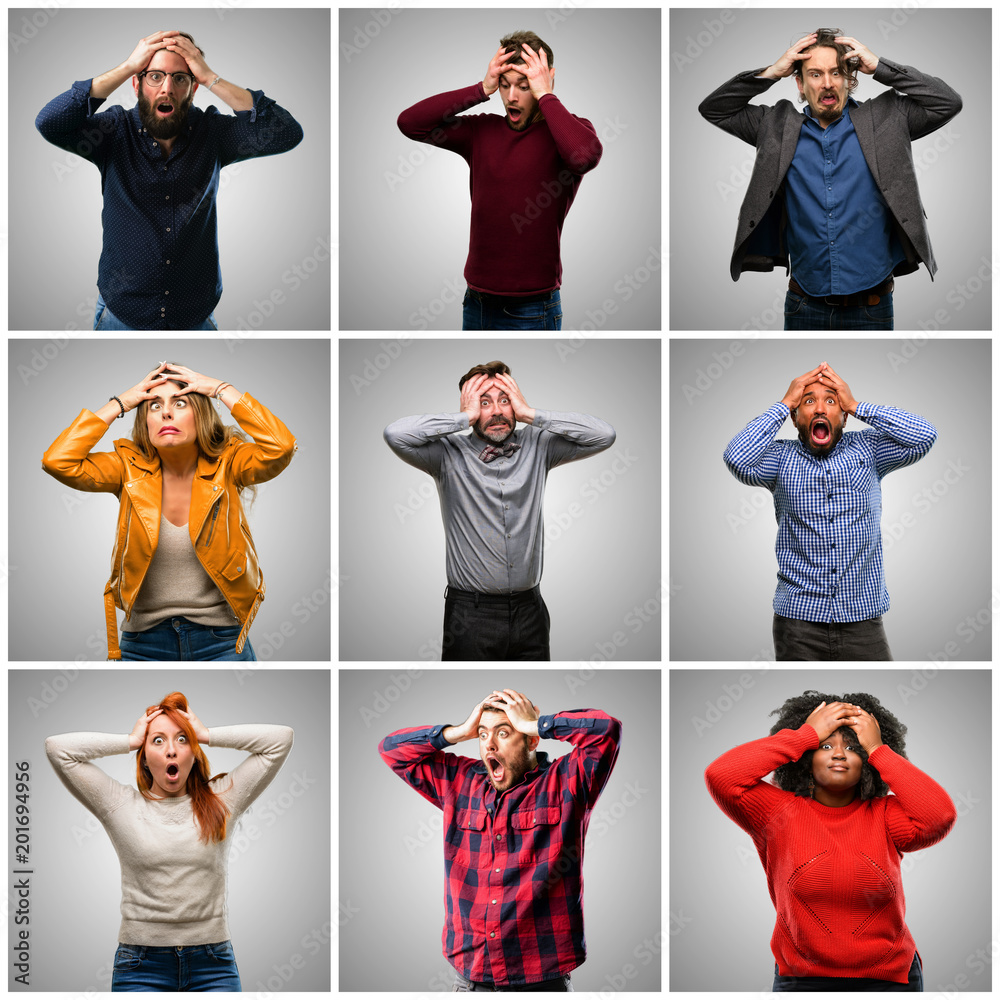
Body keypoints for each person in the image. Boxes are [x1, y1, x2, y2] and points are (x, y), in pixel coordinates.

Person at [35, 30, 304, 330]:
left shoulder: (212, 133)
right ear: (137, 84)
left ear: (192, 88)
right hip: (121, 316)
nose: (167, 88)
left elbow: (286, 132)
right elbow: (50, 122)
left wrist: (209, 76)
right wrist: (127, 67)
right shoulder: (112, 132)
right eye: (154, 77)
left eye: (180, 78)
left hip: (195, 316)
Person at [699, 28, 962, 330]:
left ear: (849, 79)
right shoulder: (774, 127)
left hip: (872, 309)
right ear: (799, 82)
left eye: (836, 73)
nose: (827, 83)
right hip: (803, 305)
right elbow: (714, 109)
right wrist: (771, 72)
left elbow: (947, 102)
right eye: (814, 74)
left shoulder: (889, 119)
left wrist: (880, 67)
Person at [42, 361, 296, 660]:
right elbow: (58, 461)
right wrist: (121, 402)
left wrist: (220, 389)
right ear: (145, 421)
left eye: (180, 402)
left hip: (222, 639)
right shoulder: (126, 467)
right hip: (142, 642)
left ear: (199, 415)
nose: (166, 412)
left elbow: (281, 447)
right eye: (153, 405)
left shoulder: (229, 462)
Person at [705, 691, 955, 991]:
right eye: (826, 746)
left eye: (853, 747)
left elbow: (939, 817)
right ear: (807, 759)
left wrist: (878, 748)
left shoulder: (886, 816)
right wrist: (805, 735)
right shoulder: (776, 813)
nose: (839, 754)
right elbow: (721, 776)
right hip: (802, 981)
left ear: (865, 761)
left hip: (889, 980)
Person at [46, 690, 294, 991]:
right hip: (139, 966)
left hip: (214, 964)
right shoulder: (121, 805)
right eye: (158, 740)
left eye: (182, 739)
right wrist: (130, 740)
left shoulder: (222, 799)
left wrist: (205, 733)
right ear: (145, 760)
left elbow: (281, 740)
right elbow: (58, 749)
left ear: (194, 754)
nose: (171, 750)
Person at [379, 689, 621, 991]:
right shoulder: (461, 781)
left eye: (503, 733)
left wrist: (536, 724)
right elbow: (392, 750)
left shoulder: (567, 781)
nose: (489, 744)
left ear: (531, 741)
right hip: (469, 982)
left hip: (542, 984)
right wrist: (459, 731)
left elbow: (605, 730)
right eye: (482, 735)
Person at [383, 360, 616, 660]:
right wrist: (463, 417)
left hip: (531, 611)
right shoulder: (445, 454)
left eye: (504, 400)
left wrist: (529, 413)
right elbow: (395, 434)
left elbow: (604, 435)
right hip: (470, 616)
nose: (496, 411)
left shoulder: (539, 445)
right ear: (469, 406)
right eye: (484, 402)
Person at [723, 362, 936, 660]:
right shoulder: (779, 459)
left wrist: (857, 404)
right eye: (808, 401)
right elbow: (737, 458)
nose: (820, 409)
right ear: (796, 418)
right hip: (797, 625)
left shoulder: (868, 449)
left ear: (844, 417)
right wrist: (784, 402)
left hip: (864, 622)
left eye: (831, 401)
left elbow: (924, 435)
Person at [397, 31, 602, 330]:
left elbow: (583, 157)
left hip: (534, 307)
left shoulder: (569, 132)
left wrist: (546, 95)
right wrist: (481, 88)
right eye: (505, 86)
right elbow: (410, 123)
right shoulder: (480, 131)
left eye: (525, 85)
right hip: (477, 302)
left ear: (547, 81)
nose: (512, 96)